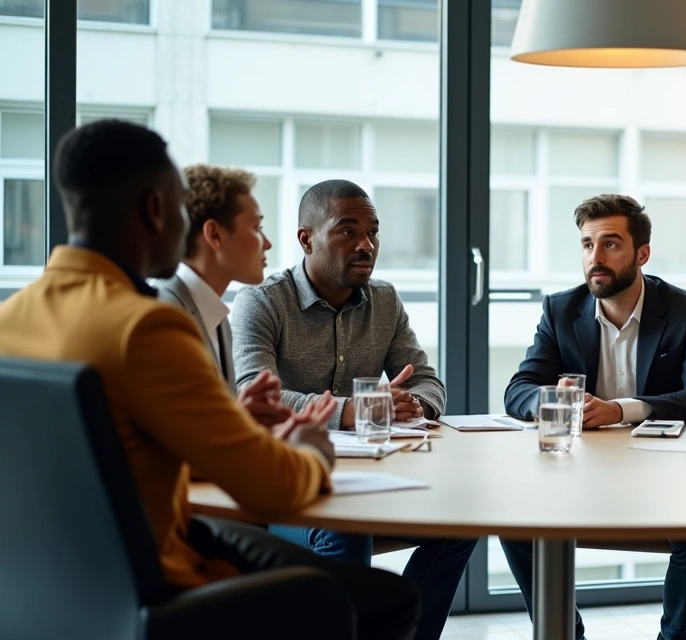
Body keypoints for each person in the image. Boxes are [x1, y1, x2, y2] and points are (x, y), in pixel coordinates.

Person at [0, 119, 418, 639]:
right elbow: (270, 487)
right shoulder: (146, 326)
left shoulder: (10, 319)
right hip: (156, 581)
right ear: (156, 211)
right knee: (387, 600)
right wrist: (311, 447)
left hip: (47, 586)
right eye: (180, 209)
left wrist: (233, 427)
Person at [230, 179, 474, 640]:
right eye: (347, 231)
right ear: (306, 238)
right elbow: (255, 397)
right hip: (286, 487)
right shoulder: (261, 302)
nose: (366, 245)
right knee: (345, 532)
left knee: (462, 520)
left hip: (369, 478)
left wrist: (410, 403)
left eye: (373, 232)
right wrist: (353, 410)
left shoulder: (384, 300)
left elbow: (427, 380)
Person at [502, 194, 686, 640]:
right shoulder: (560, 310)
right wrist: (551, 397)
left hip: (666, 474)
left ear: (642, 253)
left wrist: (620, 411)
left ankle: (674, 637)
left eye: (610, 244)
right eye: (587, 245)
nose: (595, 258)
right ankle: (567, 634)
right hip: (579, 473)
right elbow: (518, 390)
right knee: (515, 521)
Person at [155, 164, 290, 428]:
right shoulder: (166, 315)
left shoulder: (216, 318)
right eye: (256, 227)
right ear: (214, 235)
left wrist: (238, 415)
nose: (267, 243)